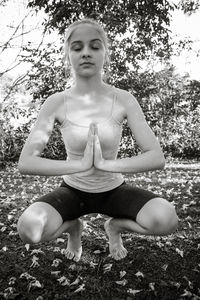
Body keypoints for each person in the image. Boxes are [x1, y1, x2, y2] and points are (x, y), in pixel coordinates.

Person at [17, 18, 178, 262]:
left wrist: (107, 165)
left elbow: (156, 157)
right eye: (77, 47)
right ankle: (73, 228)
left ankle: (115, 227)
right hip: (72, 191)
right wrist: (79, 166)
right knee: (29, 229)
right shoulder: (56, 102)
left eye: (94, 46)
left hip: (114, 190)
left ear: (105, 53)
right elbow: (26, 162)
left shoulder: (123, 99)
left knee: (166, 219)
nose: (86, 53)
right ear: (67, 55)